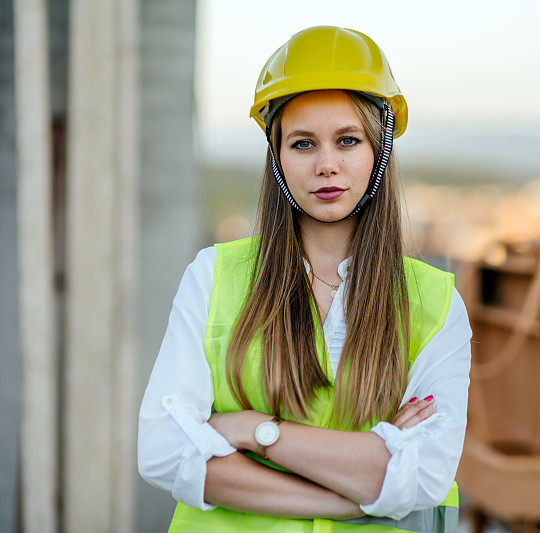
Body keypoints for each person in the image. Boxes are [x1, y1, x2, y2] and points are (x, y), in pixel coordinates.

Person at [137, 25, 472, 533]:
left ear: (378, 150)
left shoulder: (435, 303)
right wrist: (356, 493)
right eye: (302, 144)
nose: (327, 164)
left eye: (347, 140)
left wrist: (253, 431)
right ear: (276, 156)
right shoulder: (212, 278)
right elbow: (162, 450)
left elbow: (420, 477)